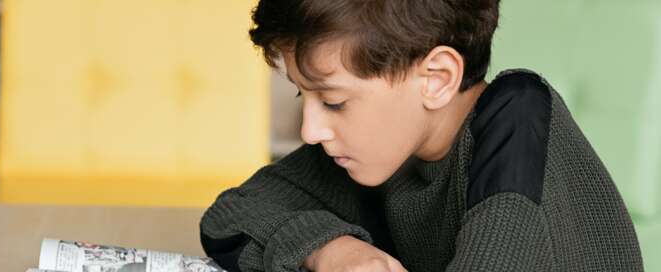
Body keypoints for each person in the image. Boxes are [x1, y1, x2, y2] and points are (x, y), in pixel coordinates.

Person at [200, 1, 644, 271]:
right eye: (304, 96)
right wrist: (331, 248)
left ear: (435, 79)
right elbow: (229, 217)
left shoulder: (517, 119)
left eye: (333, 101)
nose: (310, 130)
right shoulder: (388, 146)